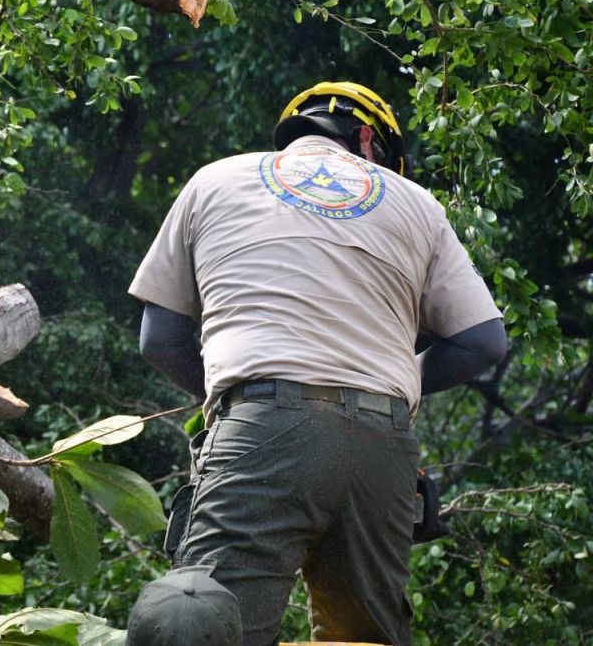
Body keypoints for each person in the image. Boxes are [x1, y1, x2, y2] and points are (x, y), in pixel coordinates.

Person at [126, 81, 507, 645]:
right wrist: (391, 390)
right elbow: (484, 341)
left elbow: (160, 339)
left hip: (260, 429)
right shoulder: (417, 204)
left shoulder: (215, 180)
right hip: (383, 448)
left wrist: (244, 408)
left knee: (204, 624)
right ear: (368, 139)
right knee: (365, 640)